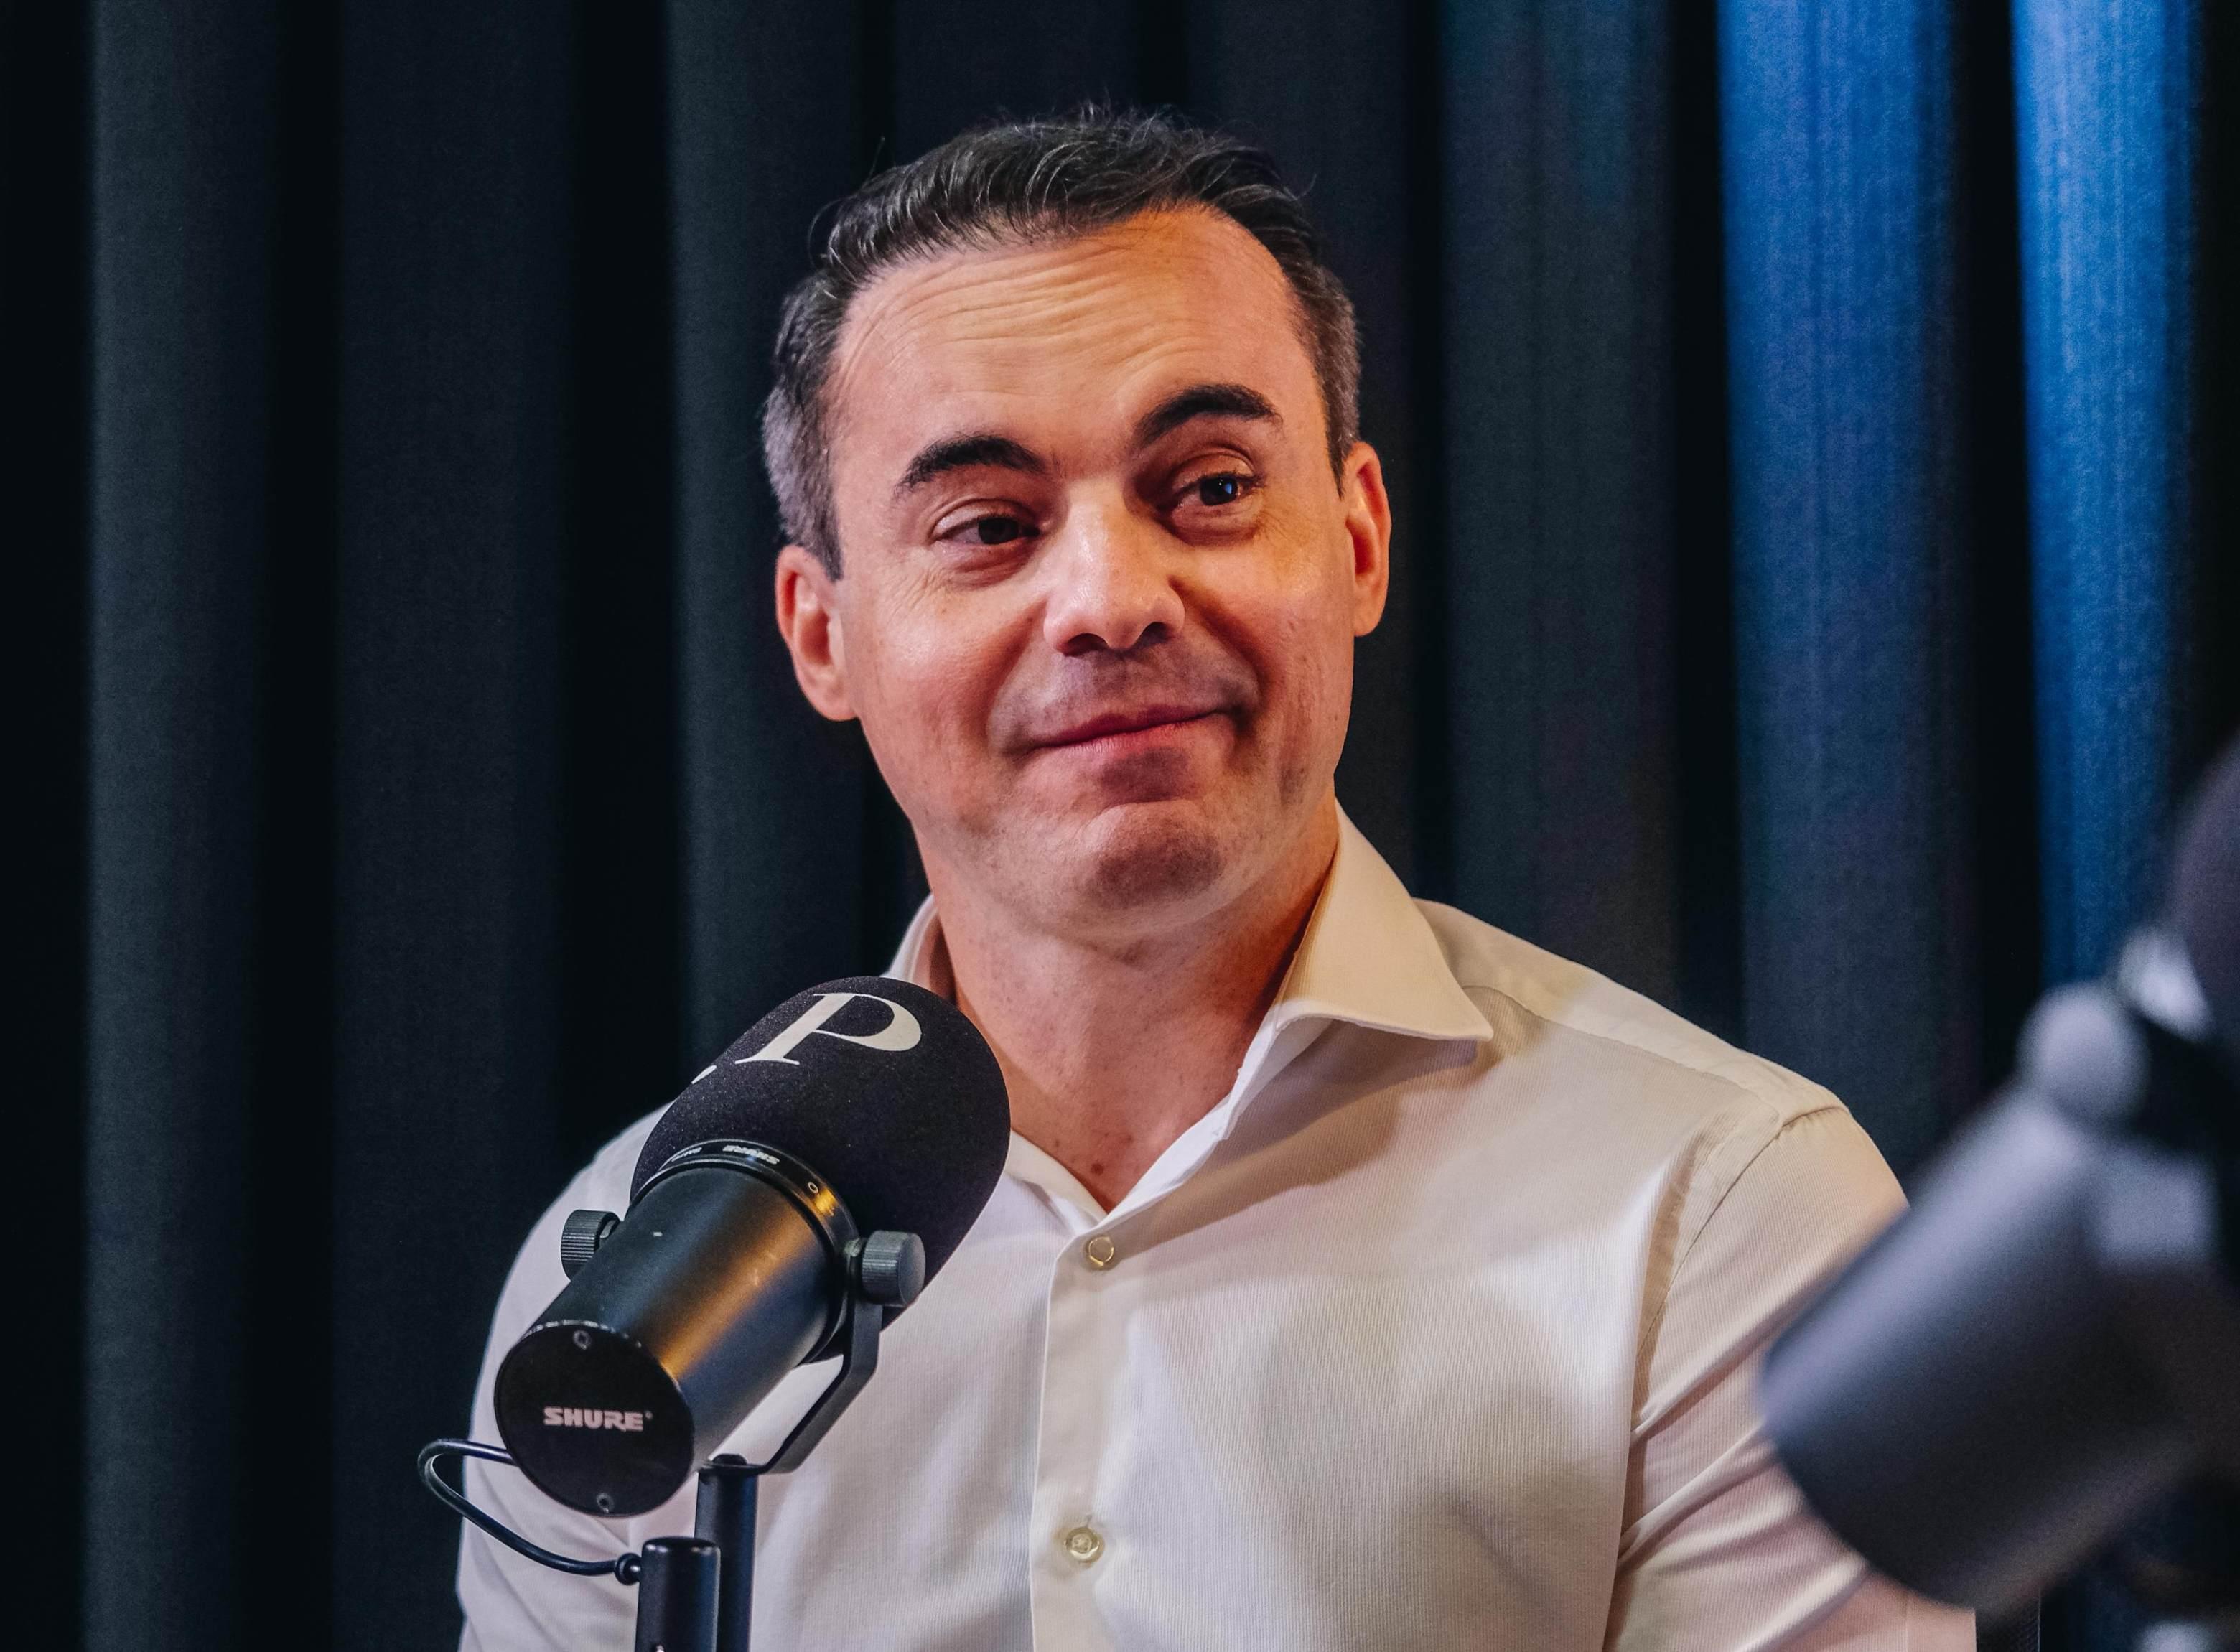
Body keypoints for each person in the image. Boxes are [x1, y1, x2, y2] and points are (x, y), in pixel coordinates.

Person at [457, 110, 1972, 1651]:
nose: (1112, 599)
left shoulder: (1723, 1211)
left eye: (1210, 489)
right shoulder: (628, 1270)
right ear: (820, 634)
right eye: (988, 526)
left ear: (1362, 540)